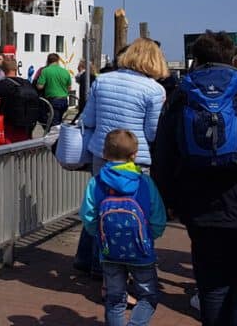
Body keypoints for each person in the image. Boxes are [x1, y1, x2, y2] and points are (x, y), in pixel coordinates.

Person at [153, 32, 237, 325]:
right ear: (231, 59)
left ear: (197, 60)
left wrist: (170, 203)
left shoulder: (181, 97)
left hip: (202, 207)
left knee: (213, 285)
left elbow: (164, 157)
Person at [73, 38, 167, 276]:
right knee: (135, 210)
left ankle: (96, 264)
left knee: (101, 207)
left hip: (102, 154)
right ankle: (132, 264)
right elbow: (152, 132)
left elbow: (88, 119)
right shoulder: (155, 90)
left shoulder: (102, 80)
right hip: (136, 159)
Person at [80, 129, 166, 326]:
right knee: (148, 296)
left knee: (114, 298)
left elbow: (88, 215)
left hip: (109, 251)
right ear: (134, 155)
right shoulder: (144, 182)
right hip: (141, 251)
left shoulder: (97, 182)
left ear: (104, 153)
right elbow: (158, 216)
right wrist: (150, 236)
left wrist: (100, 236)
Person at [0, 59, 40, 143]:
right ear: (16, 69)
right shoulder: (27, 83)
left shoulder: (0, 85)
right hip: (27, 122)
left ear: (3, 70)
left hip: (8, 124)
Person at [36, 53, 73, 128]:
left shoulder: (45, 71)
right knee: (59, 121)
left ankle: (56, 138)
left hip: (53, 101)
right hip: (64, 101)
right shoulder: (65, 71)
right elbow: (69, 88)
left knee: (54, 124)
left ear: (48, 60)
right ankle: (59, 137)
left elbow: (40, 86)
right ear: (58, 60)